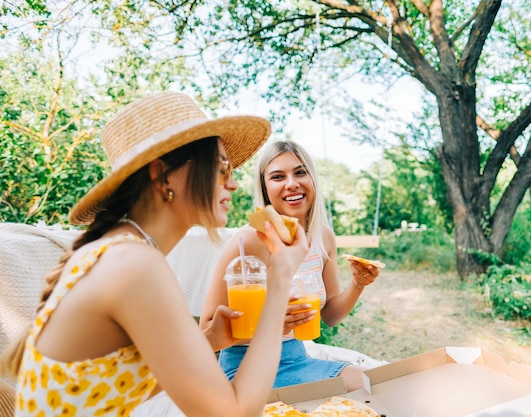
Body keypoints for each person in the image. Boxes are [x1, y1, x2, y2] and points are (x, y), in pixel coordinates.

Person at [0, 92, 309, 417]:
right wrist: (280, 277)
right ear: (162, 174)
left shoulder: (120, 250)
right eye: (221, 168)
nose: (232, 183)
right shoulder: (133, 264)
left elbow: (113, 381)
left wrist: (212, 340)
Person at [200, 140, 380, 392]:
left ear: (312, 179)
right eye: (277, 176)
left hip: (298, 358)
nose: (291, 183)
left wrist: (358, 285)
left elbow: (329, 315)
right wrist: (271, 323)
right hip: (246, 365)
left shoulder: (322, 237)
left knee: (377, 384)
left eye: (300, 172)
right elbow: (207, 328)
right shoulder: (248, 240)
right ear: (265, 187)